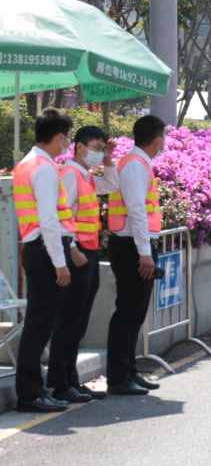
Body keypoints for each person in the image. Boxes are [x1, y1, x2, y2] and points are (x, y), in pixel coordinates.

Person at [46, 126, 118, 403]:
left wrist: (109, 159)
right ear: (79, 147)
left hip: (89, 252)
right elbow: (61, 214)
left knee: (79, 321)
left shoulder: (85, 175)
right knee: (69, 320)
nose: (99, 152)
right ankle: (60, 383)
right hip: (76, 255)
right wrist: (73, 248)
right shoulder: (69, 174)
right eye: (96, 147)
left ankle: (71, 380)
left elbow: (112, 185)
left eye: (102, 146)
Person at [12, 109, 75, 413]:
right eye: (66, 138)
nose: (67, 145)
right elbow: (49, 221)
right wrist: (60, 263)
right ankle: (31, 393)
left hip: (36, 249)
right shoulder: (46, 168)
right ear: (59, 136)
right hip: (46, 250)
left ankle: (32, 391)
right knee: (40, 324)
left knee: (37, 323)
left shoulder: (27, 163)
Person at [105, 115, 165, 395]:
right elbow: (137, 211)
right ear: (157, 139)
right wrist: (145, 254)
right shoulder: (135, 166)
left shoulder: (138, 163)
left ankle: (128, 371)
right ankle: (119, 377)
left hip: (134, 245)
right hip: (131, 247)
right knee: (128, 312)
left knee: (135, 312)